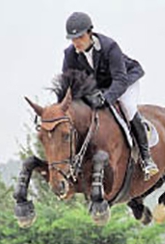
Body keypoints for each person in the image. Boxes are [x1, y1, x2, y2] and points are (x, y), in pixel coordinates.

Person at [62, 12, 159, 179]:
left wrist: (106, 98)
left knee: (127, 107)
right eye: (73, 38)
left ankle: (146, 158)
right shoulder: (70, 54)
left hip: (125, 79)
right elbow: (68, 84)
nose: (76, 42)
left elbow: (120, 80)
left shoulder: (110, 47)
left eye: (80, 37)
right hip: (99, 87)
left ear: (90, 32)